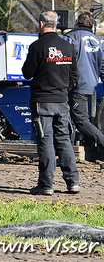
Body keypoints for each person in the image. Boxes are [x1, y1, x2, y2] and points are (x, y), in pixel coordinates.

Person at [22, 10, 80, 195]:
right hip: (62, 101)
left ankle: (46, 185)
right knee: (64, 141)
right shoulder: (68, 47)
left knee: (46, 142)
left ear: (41, 24)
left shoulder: (37, 47)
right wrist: (63, 90)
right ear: (55, 24)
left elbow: (27, 73)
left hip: (42, 101)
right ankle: (73, 183)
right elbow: (74, 76)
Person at [63, 12, 104, 146]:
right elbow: (102, 65)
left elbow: (63, 62)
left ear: (76, 23)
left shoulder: (71, 37)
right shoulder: (97, 41)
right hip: (92, 85)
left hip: (76, 85)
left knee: (79, 120)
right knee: (85, 119)